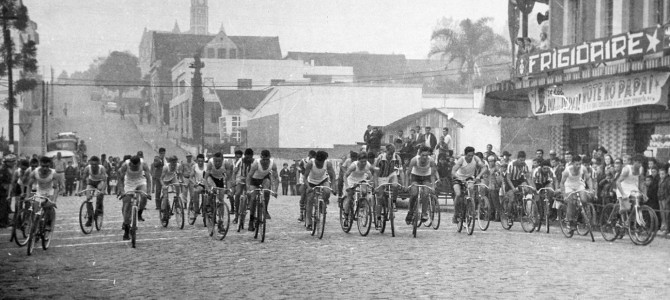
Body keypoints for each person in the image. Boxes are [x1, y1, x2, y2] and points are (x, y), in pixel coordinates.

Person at [118, 156, 152, 240]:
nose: (135, 168)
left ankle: (140, 212)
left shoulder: (143, 164)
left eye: (137, 166)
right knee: (126, 204)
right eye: (133, 166)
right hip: (129, 183)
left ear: (139, 164)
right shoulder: (125, 165)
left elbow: (148, 178)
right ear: (130, 164)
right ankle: (126, 228)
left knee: (144, 196)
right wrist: (122, 192)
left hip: (140, 181)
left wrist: (149, 192)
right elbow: (120, 179)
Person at [405, 146, 440, 224]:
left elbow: (433, 175)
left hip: (426, 177)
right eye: (423, 155)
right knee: (414, 193)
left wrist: (433, 186)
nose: (424, 157)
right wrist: (406, 185)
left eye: (426, 155)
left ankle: (424, 213)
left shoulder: (431, 160)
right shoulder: (414, 160)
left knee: (426, 193)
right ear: (419, 154)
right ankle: (410, 212)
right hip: (415, 177)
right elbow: (407, 173)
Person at [24, 156, 60, 232]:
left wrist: (54, 200)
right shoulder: (34, 172)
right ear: (40, 164)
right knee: (35, 209)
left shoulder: (54, 173)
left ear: (50, 165)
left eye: (47, 166)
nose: (45, 168)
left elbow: (56, 188)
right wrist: (27, 196)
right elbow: (29, 185)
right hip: (39, 191)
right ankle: (36, 227)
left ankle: (48, 223)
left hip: (50, 191)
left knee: (48, 207)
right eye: (43, 166)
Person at [303, 150, 337, 230]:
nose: (320, 164)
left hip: (323, 180)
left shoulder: (327, 164)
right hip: (311, 182)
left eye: (321, 163)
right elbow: (305, 178)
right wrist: (308, 187)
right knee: (310, 200)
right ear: (315, 159)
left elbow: (333, 176)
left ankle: (323, 204)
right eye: (318, 162)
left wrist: (334, 188)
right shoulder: (310, 163)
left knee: (327, 191)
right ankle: (309, 223)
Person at [246, 150, 279, 231]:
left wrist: (275, 190)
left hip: (264, 178)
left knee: (267, 191)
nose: (265, 161)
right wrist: (248, 189)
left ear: (269, 158)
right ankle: (251, 219)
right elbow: (249, 176)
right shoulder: (256, 164)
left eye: (267, 159)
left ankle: (265, 209)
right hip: (254, 180)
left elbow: (276, 177)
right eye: (263, 159)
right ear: (261, 158)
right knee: (253, 199)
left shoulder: (273, 164)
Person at [450, 146, 485, 224]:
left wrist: (479, 176)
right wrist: (457, 177)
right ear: (465, 155)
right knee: (458, 194)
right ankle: (455, 214)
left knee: (471, 189)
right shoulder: (461, 160)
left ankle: (471, 208)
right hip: (458, 178)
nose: (470, 157)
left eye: (472, 155)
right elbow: (453, 171)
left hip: (469, 178)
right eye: (468, 155)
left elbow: (484, 167)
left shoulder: (475, 159)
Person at [560, 155, 594, 231]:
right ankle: (570, 221)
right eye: (576, 164)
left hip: (579, 184)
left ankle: (581, 216)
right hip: (569, 186)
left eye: (580, 164)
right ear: (572, 164)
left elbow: (588, 179)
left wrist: (591, 190)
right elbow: (562, 183)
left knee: (584, 200)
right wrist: (564, 195)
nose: (578, 166)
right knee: (571, 201)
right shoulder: (567, 171)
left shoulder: (583, 168)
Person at [343, 152, 374, 227]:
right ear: (358, 160)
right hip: (351, 180)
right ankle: (346, 216)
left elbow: (371, 175)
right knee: (349, 197)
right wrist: (347, 186)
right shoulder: (353, 166)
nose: (363, 163)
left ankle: (362, 207)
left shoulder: (368, 165)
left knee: (364, 192)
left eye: (365, 161)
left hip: (361, 179)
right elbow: (345, 176)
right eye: (362, 162)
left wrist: (370, 181)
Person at [374, 144, 403, 218]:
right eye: (389, 153)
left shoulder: (396, 157)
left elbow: (400, 171)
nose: (390, 156)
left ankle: (393, 202)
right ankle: (378, 216)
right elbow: (376, 174)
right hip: (381, 176)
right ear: (385, 151)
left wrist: (402, 183)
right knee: (380, 197)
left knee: (395, 185)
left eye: (392, 153)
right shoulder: (380, 158)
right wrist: (376, 186)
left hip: (391, 174)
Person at [80, 156, 108, 227]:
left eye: (96, 164)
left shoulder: (102, 168)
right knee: (88, 198)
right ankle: (90, 217)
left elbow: (105, 181)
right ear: (90, 163)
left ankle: (99, 212)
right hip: (91, 183)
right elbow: (82, 179)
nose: (94, 166)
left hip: (100, 182)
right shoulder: (87, 168)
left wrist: (102, 190)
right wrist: (80, 190)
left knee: (99, 196)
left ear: (98, 164)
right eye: (92, 164)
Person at [232, 149, 254, 226]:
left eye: (250, 157)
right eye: (246, 157)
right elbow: (234, 172)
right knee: (237, 194)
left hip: (251, 181)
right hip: (241, 180)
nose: (248, 159)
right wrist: (234, 181)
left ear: (252, 156)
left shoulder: (254, 162)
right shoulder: (240, 161)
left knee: (250, 195)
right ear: (244, 156)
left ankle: (251, 212)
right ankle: (236, 216)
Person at [160, 156, 183, 222]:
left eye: (175, 162)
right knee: (165, 196)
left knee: (178, 185)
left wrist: (181, 180)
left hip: (173, 177)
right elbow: (160, 178)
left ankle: (177, 199)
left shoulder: (178, 165)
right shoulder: (166, 167)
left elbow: (180, 173)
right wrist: (163, 185)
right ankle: (164, 212)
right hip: (165, 180)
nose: (174, 164)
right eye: (173, 163)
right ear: (170, 162)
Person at [297, 150, 316, 222]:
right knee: (303, 195)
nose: (312, 158)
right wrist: (303, 171)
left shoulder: (315, 162)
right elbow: (298, 168)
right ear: (309, 155)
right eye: (311, 156)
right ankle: (301, 214)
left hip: (312, 179)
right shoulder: (303, 161)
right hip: (304, 179)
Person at [0, 155, 17, 227]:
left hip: (7, 190)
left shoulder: (11, 169)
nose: (14, 163)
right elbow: (5, 182)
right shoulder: (3, 170)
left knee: (6, 206)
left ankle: (5, 221)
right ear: (7, 162)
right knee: (3, 206)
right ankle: (2, 222)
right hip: (3, 190)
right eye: (12, 161)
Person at [189, 154, 207, 219]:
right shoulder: (194, 167)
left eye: (202, 161)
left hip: (207, 184)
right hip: (199, 184)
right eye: (199, 161)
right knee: (196, 191)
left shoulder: (207, 166)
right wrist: (194, 183)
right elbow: (190, 177)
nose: (200, 163)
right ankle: (196, 210)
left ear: (204, 160)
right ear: (197, 161)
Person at [657, 166, 670, 234]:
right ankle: (663, 227)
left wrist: (667, 199)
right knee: (662, 214)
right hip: (660, 199)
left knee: (666, 214)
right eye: (660, 174)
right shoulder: (660, 180)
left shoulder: (667, 181)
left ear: (666, 174)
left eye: (663, 174)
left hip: (665, 199)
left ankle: (667, 229)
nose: (661, 175)